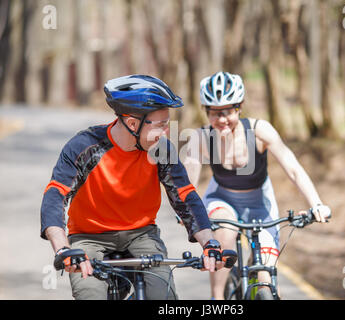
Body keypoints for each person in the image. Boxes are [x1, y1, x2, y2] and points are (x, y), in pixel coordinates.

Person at [40, 74, 224, 300]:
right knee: (91, 295)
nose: (167, 132)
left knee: (163, 297)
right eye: (161, 125)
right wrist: (62, 249)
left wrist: (210, 243)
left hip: (141, 234)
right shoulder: (84, 146)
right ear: (133, 123)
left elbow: (184, 195)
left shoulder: (161, 150)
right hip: (89, 237)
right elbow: (55, 195)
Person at [182, 71, 331, 300]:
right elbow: (188, 184)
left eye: (228, 111)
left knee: (266, 277)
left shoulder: (260, 131)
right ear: (206, 111)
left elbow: (293, 169)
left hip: (260, 203)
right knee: (225, 238)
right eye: (214, 112)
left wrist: (316, 204)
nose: (221, 119)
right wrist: (186, 212)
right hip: (222, 199)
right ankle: (217, 298)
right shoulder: (201, 137)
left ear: (239, 108)